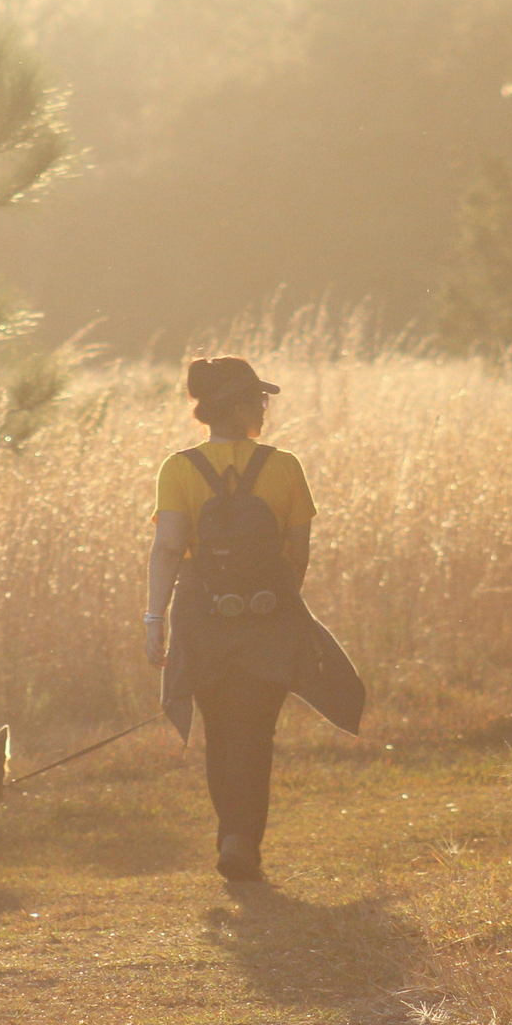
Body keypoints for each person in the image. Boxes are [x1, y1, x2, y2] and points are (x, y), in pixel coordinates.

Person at [145, 356, 364, 882]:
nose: (263, 409)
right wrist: (273, 601)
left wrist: (155, 619)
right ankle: (244, 841)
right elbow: (300, 552)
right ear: (239, 404)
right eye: (258, 400)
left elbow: (169, 549)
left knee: (220, 728)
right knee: (256, 731)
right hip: (269, 617)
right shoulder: (283, 466)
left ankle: (231, 836)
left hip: (203, 619)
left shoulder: (179, 468)